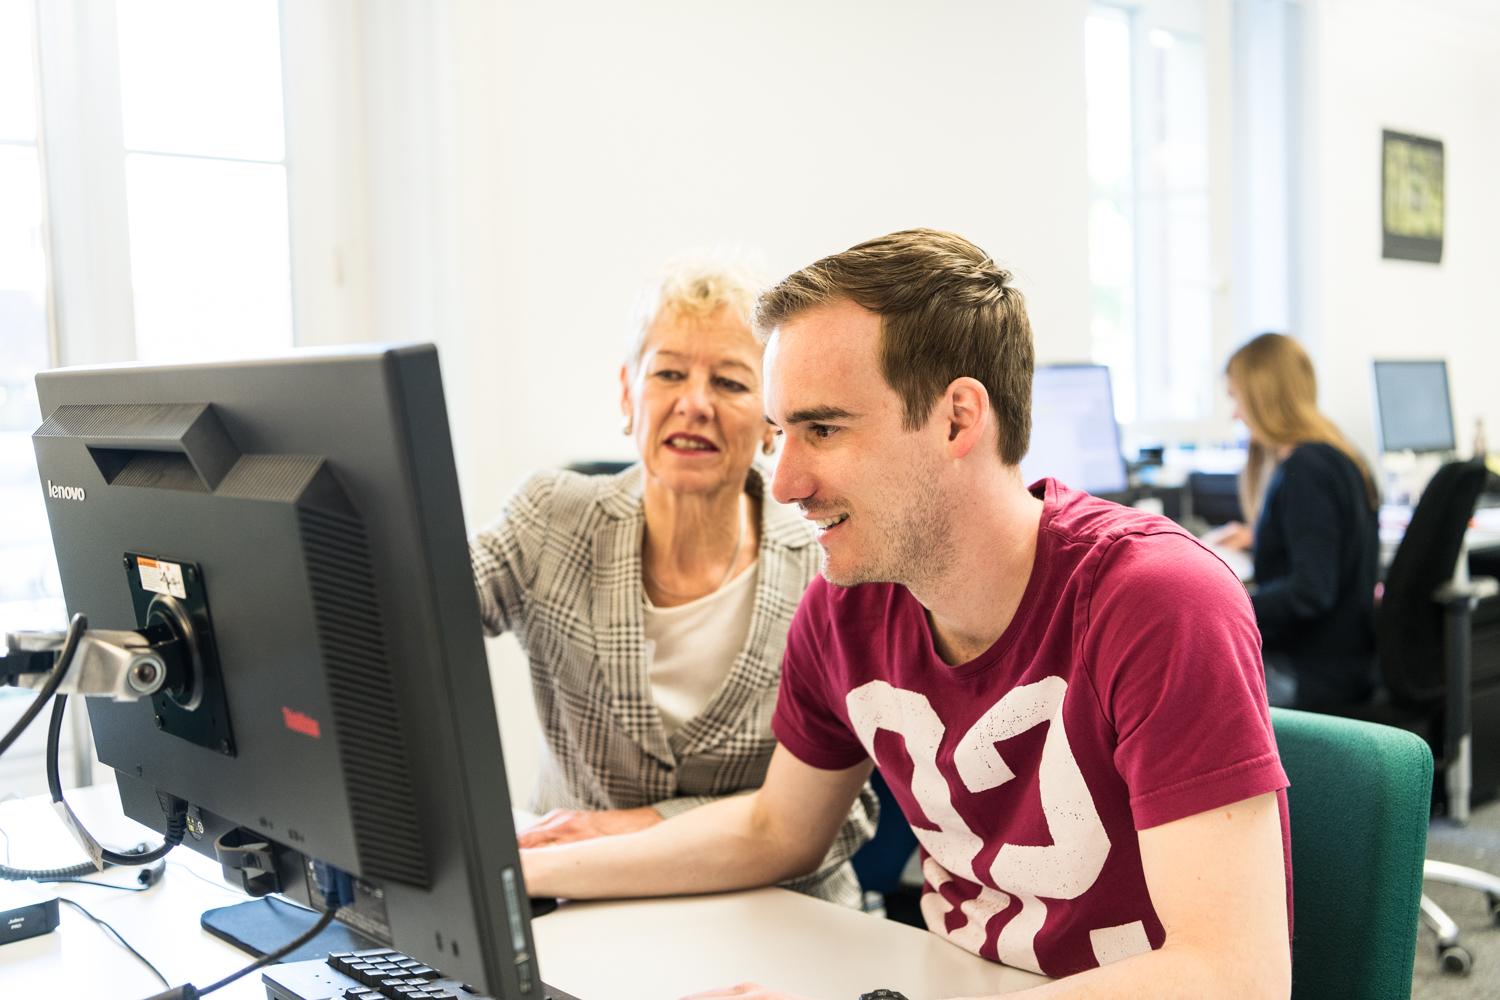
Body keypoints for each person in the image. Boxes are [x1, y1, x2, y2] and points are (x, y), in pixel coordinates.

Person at [522, 230, 1293, 999]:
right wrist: (526, 871)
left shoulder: (1158, 602)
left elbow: (1235, 976)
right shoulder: (844, 610)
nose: (783, 482)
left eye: (823, 429)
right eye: (781, 433)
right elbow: (776, 830)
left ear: (959, 420)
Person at [470, 251, 876, 907]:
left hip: (775, 911)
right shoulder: (550, 520)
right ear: (629, 396)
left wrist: (643, 827)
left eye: (730, 382)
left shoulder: (833, 562)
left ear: (773, 421)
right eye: (668, 373)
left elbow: (849, 815)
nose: (695, 404)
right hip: (575, 902)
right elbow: (420, 611)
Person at [1205, 333, 1379, 709]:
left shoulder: (1306, 469)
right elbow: (1328, 540)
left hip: (1312, 674)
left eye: (1236, 398)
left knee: (1194, 681)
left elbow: (1310, 592)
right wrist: (1262, 537)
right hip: (1344, 661)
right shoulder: (1337, 454)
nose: (1234, 413)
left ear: (1263, 396)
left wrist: (1229, 604)